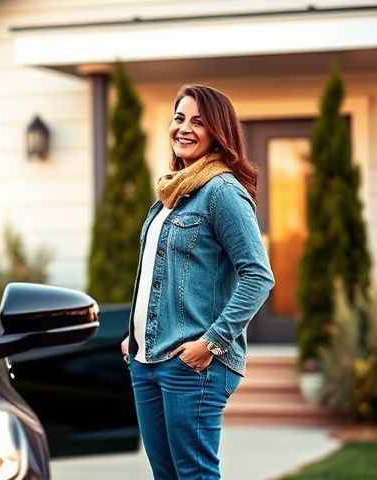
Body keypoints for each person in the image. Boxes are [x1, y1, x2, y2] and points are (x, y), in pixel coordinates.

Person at [120, 84, 275, 479]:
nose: (184, 128)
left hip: (192, 364)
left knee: (194, 475)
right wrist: (134, 334)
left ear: (218, 132)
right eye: (179, 118)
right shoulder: (172, 193)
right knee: (166, 474)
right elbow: (158, 277)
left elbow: (258, 275)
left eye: (199, 122)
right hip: (147, 359)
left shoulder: (222, 191)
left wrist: (211, 342)